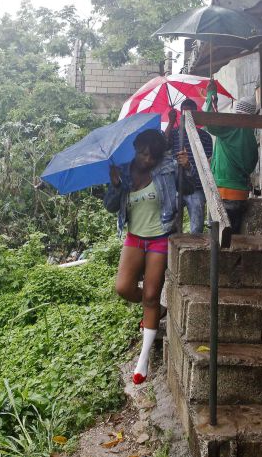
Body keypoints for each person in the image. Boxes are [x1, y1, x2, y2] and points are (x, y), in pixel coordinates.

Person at [103, 129, 189, 385]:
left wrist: (186, 169)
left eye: (152, 156)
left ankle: (144, 359)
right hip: (134, 237)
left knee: (150, 295)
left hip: (160, 237)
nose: (147, 159)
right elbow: (110, 206)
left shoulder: (167, 167)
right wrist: (117, 186)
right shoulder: (124, 170)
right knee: (123, 288)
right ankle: (157, 310)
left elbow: (188, 190)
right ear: (136, 149)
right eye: (143, 153)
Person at [203, 80, 259, 233]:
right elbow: (250, 164)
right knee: (233, 240)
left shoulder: (231, 126)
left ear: (237, 111)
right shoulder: (251, 137)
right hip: (240, 195)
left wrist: (211, 95)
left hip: (223, 192)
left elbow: (210, 122)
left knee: (216, 240)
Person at [164, 99, 214, 233]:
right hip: (175, 187)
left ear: (195, 114)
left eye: (189, 112)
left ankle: (193, 253)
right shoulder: (174, 133)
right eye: (183, 112)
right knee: (170, 227)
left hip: (196, 187)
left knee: (196, 229)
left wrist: (189, 166)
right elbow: (163, 144)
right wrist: (170, 121)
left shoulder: (205, 137)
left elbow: (208, 165)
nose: (186, 115)